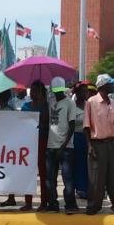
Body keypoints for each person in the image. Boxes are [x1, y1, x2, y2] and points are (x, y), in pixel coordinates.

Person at [82, 74, 114, 216]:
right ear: (103, 86)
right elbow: (86, 126)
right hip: (97, 143)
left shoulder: (111, 102)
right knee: (96, 177)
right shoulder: (91, 102)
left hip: (112, 142)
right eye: (110, 84)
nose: (113, 86)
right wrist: (89, 145)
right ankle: (94, 205)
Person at [44, 77, 78, 214]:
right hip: (50, 146)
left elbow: (72, 126)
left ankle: (70, 204)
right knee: (49, 179)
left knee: (67, 178)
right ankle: (53, 203)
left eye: (59, 91)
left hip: (66, 148)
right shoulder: (50, 101)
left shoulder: (70, 103)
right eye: (55, 91)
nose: (57, 94)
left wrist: (63, 146)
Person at [20, 81, 50, 211]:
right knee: (27, 172)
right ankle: (28, 202)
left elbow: (46, 122)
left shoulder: (46, 106)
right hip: (28, 142)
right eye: (31, 90)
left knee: (43, 172)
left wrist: (43, 104)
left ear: (41, 92)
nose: (32, 93)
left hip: (42, 141)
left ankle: (44, 202)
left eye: (35, 91)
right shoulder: (26, 106)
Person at [71, 81, 90, 200]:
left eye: (86, 91)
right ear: (76, 93)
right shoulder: (71, 106)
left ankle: (86, 189)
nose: (85, 93)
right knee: (75, 164)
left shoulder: (89, 105)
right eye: (82, 91)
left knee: (86, 164)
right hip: (75, 137)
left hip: (87, 137)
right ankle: (77, 188)